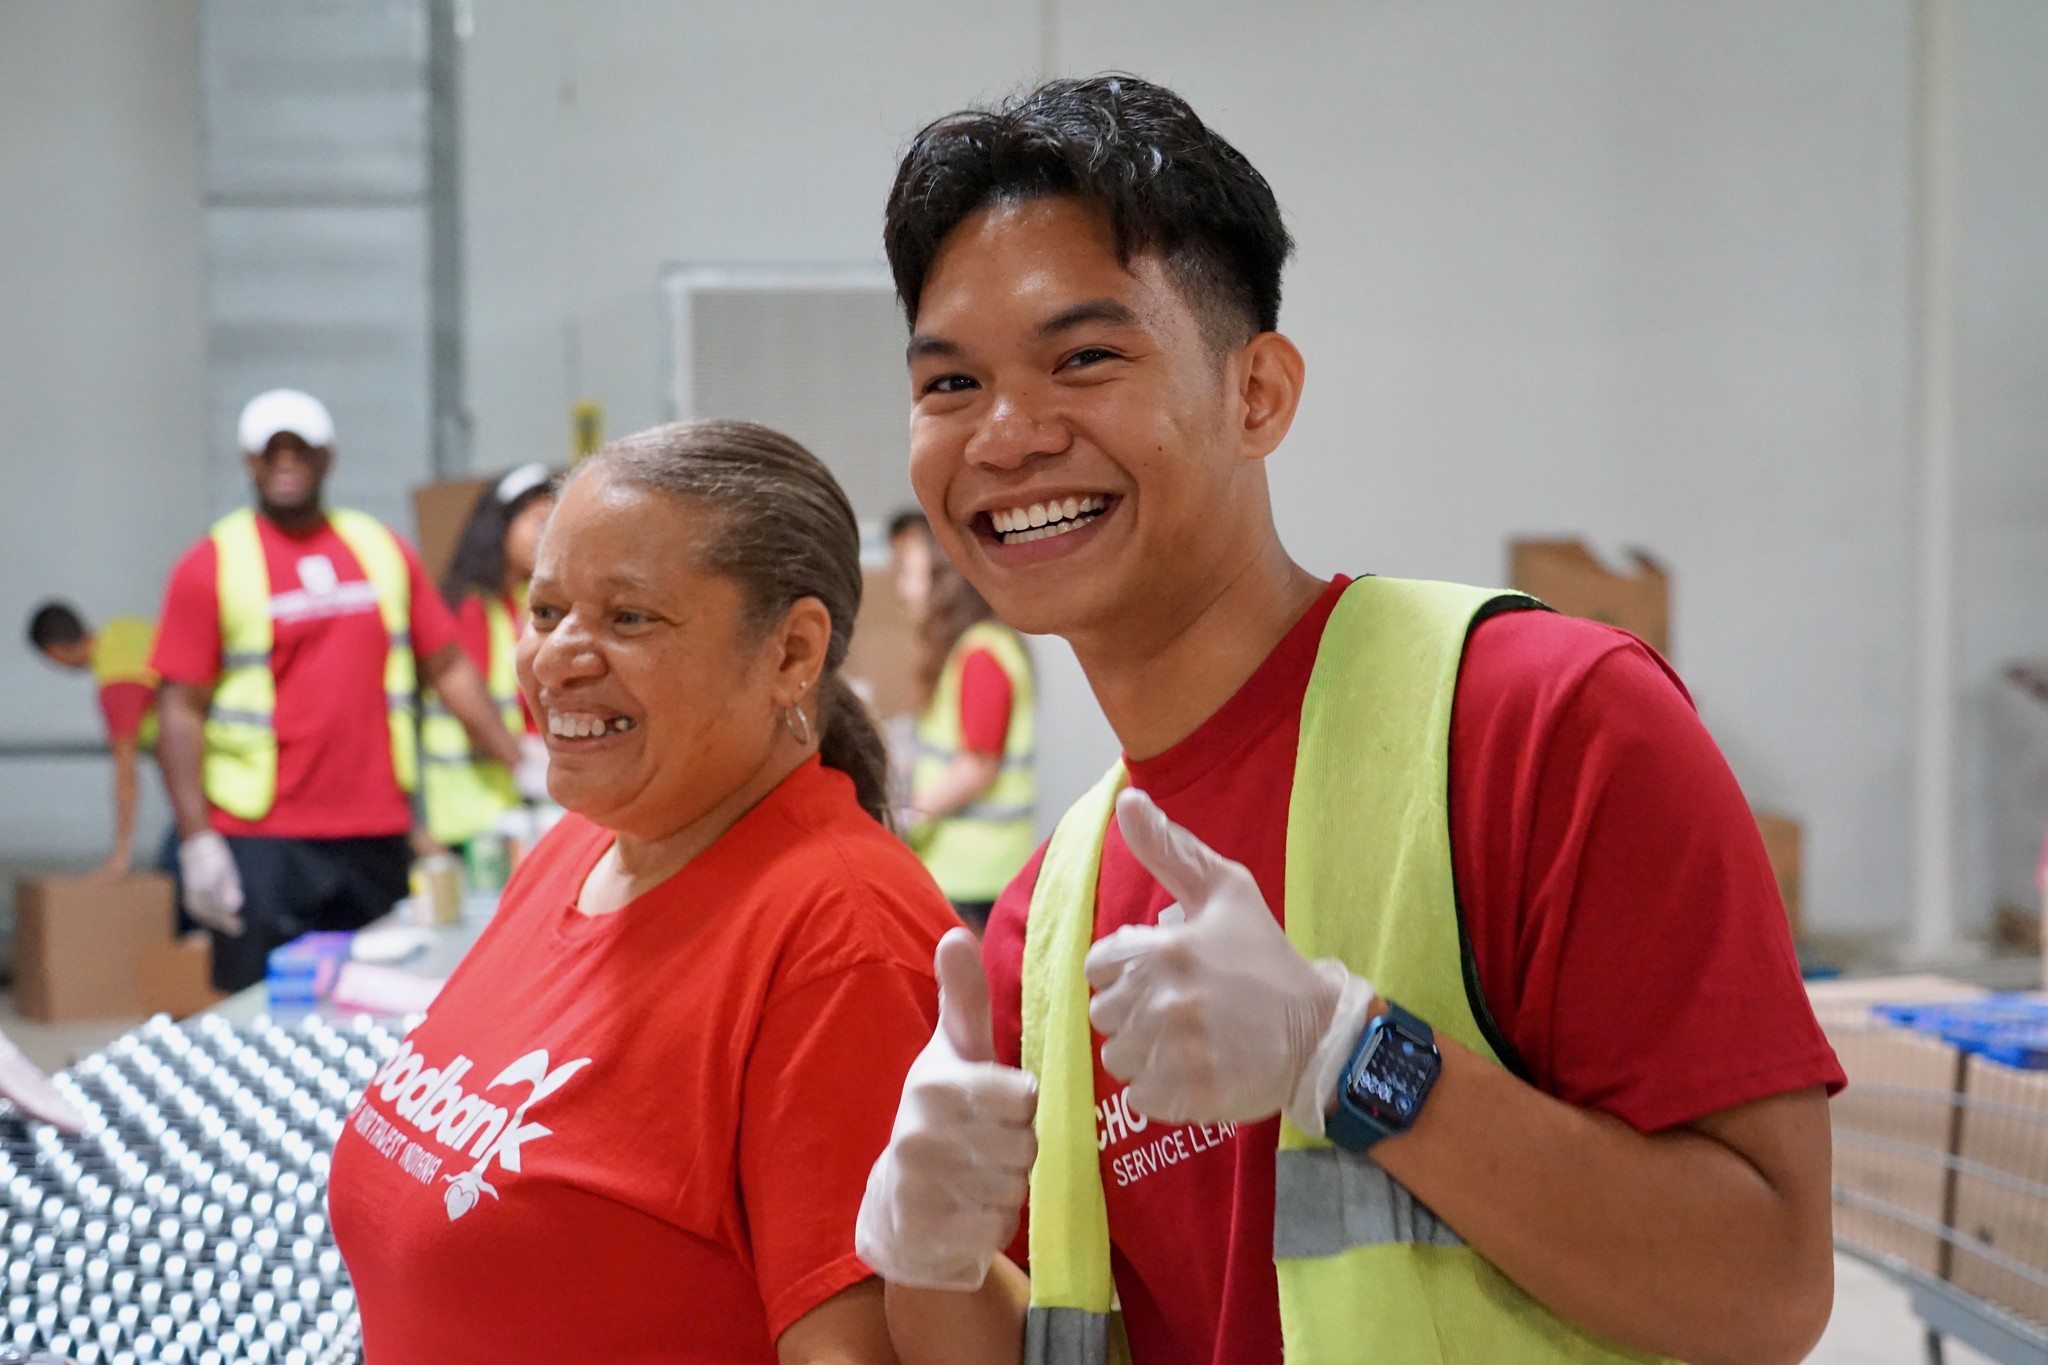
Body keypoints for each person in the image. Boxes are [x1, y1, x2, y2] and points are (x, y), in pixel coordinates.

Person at [855, 76, 1844, 1365]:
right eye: (949, 383)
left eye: (1082, 357)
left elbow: (1764, 1294)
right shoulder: (1047, 926)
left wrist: (1353, 1055)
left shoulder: (1543, 724)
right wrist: (925, 1267)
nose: (1005, 436)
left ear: (1257, 393)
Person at [327, 419, 957, 1363]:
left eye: (628, 617)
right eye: (545, 613)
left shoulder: (841, 945)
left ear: (791, 653)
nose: (557, 659)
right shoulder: (578, 850)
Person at [151, 388, 524, 992]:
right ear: (249, 463)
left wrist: (519, 761)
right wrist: (197, 840)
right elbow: (179, 708)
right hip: (262, 839)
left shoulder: (379, 550)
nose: (286, 463)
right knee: (258, 1014)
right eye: (270, 452)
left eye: (301, 450)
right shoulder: (212, 563)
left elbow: (448, 666)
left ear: (328, 458)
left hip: (374, 830)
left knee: (376, 1006)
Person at [421, 461, 555, 851]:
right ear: (500, 527)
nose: (547, 536)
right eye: (537, 521)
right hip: (478, 814)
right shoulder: (469, 608)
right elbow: (468, 699)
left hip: (531, 810)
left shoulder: (530, 603)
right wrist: (522, 763)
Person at [903, 553, 1036, 936]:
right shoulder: (982, 647)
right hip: (974, 868)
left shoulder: (980, 652)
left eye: (912, 575)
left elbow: (978, 765)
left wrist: (906, 815)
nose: (904, 589)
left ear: (945, 583)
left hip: (974, 872)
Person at [25, 601, 162, 880]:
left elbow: (126, 773)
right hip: (244, 755)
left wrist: (121, 857)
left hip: (222, 780)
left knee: (180, 870)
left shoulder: (118, 681)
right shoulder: (125, 628)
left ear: (52, 654)